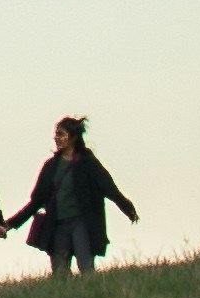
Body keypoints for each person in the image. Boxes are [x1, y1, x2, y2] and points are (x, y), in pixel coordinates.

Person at [13, 114, 137, 275]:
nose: (56, 138)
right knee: (60, 272)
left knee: (86, 267)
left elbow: (109, 188)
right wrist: (10, 224)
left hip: (81, 222)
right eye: (56, 134)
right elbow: (36, 201)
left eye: (61, 134)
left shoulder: (88, 162)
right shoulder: (50, 166)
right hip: (57, 225)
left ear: (73, 138)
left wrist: (128, 209)